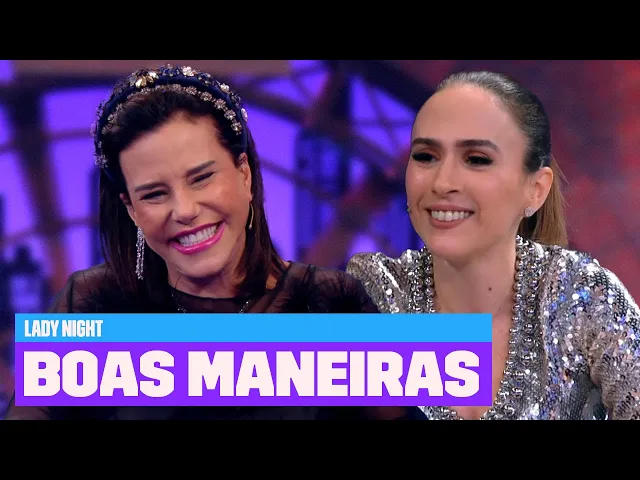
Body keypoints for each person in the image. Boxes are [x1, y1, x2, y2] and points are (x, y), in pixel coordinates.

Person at [4, 64, 421, 420]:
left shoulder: (332, 303)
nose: (184, 210)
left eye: (202, 178)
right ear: (131, 209)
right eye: (154, 194)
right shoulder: (93, 304)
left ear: (244, 175)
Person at [346, 70, 640, 420]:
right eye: (425, 156)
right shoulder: (375, 290)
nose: (442, 182)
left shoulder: (581, 297)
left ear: (536, 190)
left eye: (476, 159)